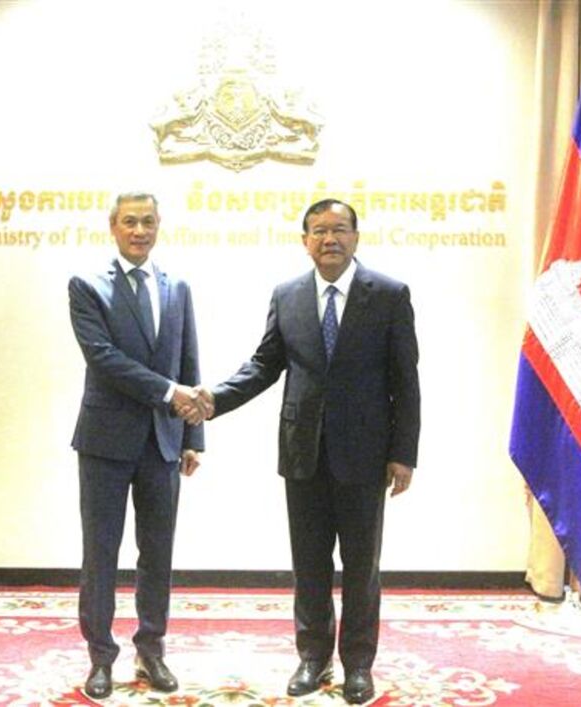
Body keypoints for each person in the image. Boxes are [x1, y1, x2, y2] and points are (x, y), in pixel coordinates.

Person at [197, 199, 420, 704]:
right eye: (319, 231)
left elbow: (405, 380)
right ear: (305, 241)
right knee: (310, 564)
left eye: (339, 229)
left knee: (361, 566)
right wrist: (214, 400)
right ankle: (312, 659)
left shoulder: (388, 294)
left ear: (356, 237)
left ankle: (357, 665)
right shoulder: (288, 295)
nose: (329, 239)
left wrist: (403, 452)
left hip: (365, 454)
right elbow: (264, 365)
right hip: (303, 452)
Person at [68, 192, 206, 699]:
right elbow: (103, 358)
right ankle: (100, 657)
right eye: (130, 222)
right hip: (105, 442)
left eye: (148, 221)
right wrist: (170, 393)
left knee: (158, 553)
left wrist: (193, 435)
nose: (140, 230)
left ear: (158, 226)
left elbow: (188, 359)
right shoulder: (87, 285)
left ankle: (152, 650)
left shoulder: (177, 286)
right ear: (113, 227)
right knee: (100, 553)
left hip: (163, 443)